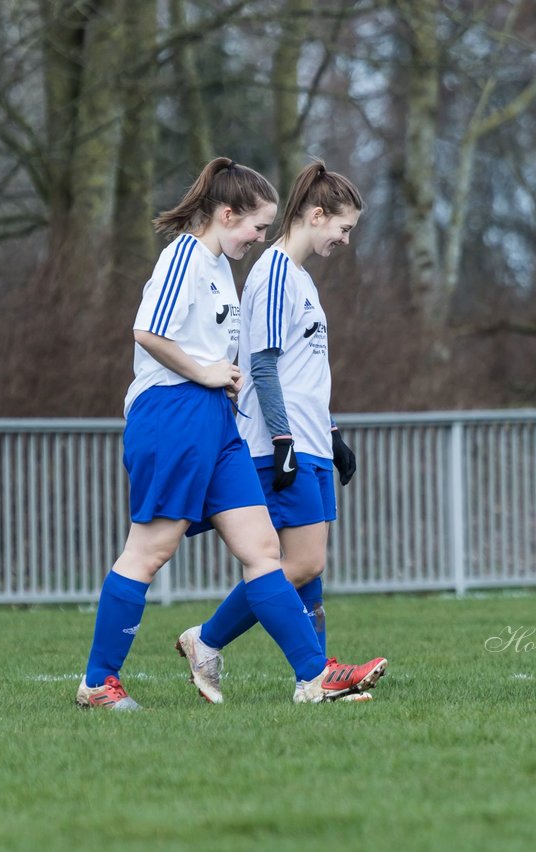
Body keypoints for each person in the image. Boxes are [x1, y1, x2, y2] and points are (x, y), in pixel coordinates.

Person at [76, 157, 386, 710]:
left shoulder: (221, 270)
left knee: (265, 549)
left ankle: (314, 676)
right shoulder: (184, 257)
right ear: (224, 214)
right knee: (151, 551)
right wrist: (207, 372)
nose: (261, 238)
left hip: (216, 420)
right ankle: (99, 682)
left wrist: (225, 380)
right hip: (172, 413)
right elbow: (146, 332)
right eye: (257, 227)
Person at [175, 160, 378, 705]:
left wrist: (331, 434)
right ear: (316, 215)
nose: (345, 239)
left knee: (308, 571)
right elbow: (262, 367)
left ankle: (315, 679)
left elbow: (304, 371)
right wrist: (286, 441)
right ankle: (210, 640)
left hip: (309, 440)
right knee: (302, 563)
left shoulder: (303, 280)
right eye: (343, 227)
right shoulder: (272, 272)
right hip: (276, 444)